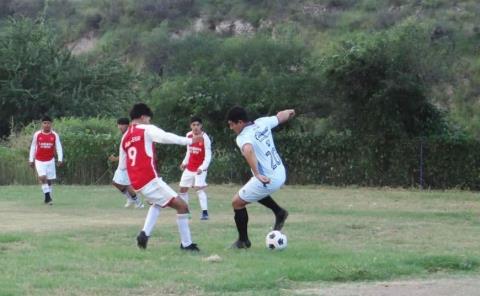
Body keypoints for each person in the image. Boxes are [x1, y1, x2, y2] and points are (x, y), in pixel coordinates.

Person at [118, 103, 202, 251]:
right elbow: (165, 137)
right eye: (148, 119)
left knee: (156, 203)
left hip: (138, 182)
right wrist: (190, 140)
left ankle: (144, 234)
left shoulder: (125, 137)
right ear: (143, 117)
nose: (149, 122)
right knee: (182, 206)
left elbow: (123, 165)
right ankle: (186, 245)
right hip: (150, 179)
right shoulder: (146, 129)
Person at [226, 106, 295, 249]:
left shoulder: (243, 137)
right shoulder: (262, 122)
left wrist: (257, 174)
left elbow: (248, 150)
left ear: (239, 122)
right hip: (280, 172)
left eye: (232, 124)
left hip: (268, 178)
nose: (231, 128)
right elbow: (281, 116)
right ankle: (279, 212)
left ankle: (243, 241)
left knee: (237, 203)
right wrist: (290, 112)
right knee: (253, 191)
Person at [178, 116, 212, 220]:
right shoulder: (188, 135)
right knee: (182, 189)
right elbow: (189, 151)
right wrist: (184, 163)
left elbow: (208, 156)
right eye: (194, 125)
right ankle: (186, 211)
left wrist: (202, 168)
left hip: (200, 169)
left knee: (198, 188)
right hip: (190, 167)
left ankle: (205, 213)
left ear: (201, 126)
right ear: (190, 126)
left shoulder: (205, 138)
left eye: (198, 125)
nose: (196, 127)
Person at [109, 117, 144, 209]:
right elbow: (125, 153)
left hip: (127, 166)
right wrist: (116, 159)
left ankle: (138, 202)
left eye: (120, 125)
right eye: (118, 125)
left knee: (127, 185)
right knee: (115, 183)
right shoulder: (125, 135)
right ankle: (130, 198)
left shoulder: (129, 136)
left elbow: (131, 152)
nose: (118, 127)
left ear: (125, 125)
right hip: (121, 166)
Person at [29, 116, 63, 205]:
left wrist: (60, 159)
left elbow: (59, 147)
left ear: (51, 124)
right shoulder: (37, 134)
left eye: (48, 123)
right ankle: (48, 197)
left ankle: (47, 197)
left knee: (49, 180)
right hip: (39, 160)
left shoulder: (54, 135)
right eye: (45, 123)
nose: (46, 125)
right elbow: (33, 146)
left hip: (50, 160)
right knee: (42, 177)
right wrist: (31, 159)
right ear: (42, 124)